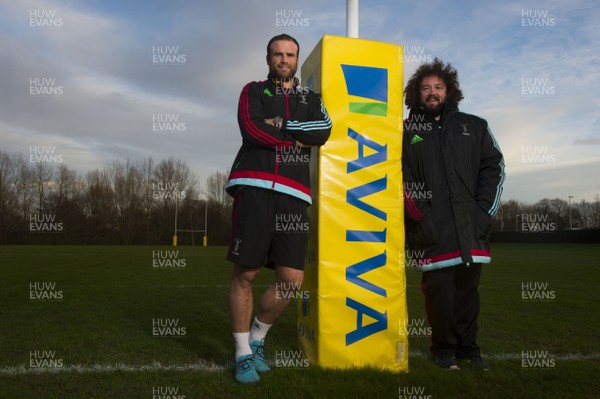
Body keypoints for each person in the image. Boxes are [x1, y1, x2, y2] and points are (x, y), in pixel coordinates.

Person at [225, 33, 331, 383]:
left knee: (291, 280)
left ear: (297, 59)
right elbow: (252, 129)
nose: (284, 60)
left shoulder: (310, 98)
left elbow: (324, 130)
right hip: (254, 186)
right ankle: (242, 353)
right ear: (268, 58)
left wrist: (285, 125)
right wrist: (297, 138)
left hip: (295, 194)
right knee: (247, 274)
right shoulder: (253, 91)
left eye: (290, 54)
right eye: (277, 54)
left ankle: (257, 340)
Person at [402, 58, 505, 371]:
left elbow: (495, 167)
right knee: (440, 295)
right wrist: (424, 217)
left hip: (471, 227)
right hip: (433, 230)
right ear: (416, 94)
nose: (432, 92)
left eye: (438, 87)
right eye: (425, 88)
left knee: (468, 295)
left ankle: (469, 351)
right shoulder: (406, 132)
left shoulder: (474, 126)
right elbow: (402, 178)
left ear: (449, 90)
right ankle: (444, 351)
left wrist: (483, 212)